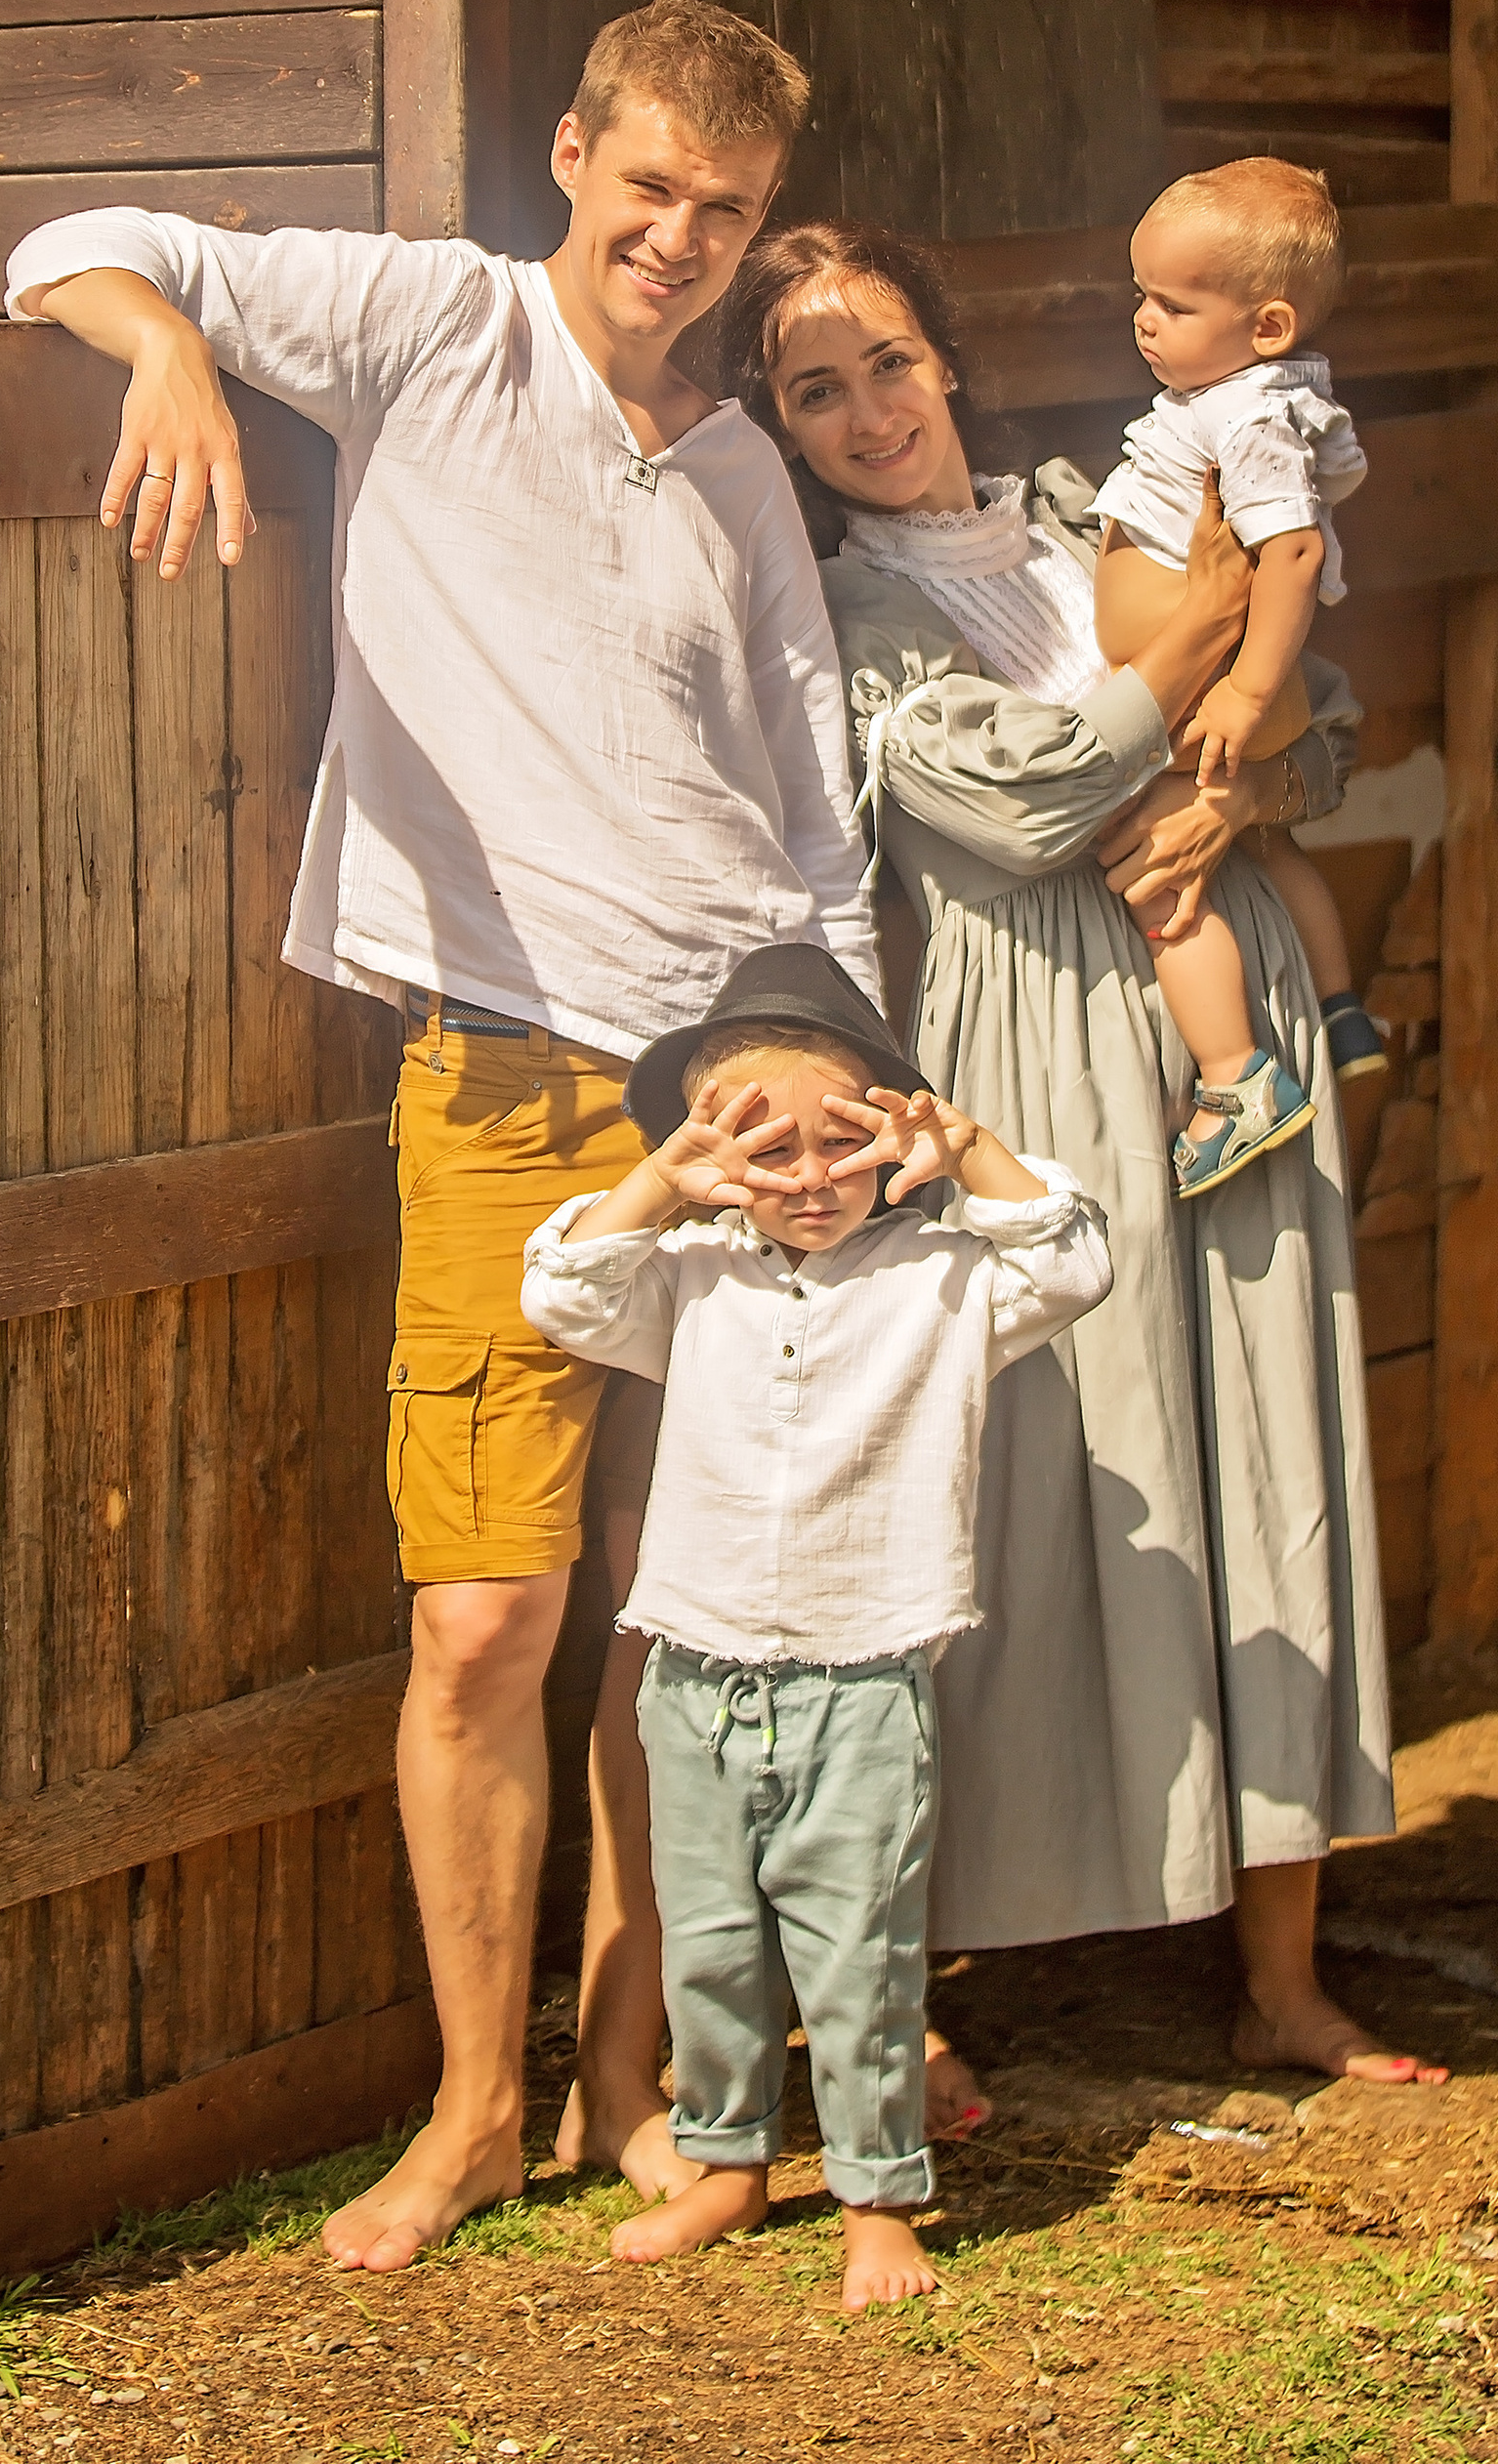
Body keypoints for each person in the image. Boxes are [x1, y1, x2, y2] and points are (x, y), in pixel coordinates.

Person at [1, 0, 882, 2273]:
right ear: (575, 152)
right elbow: (69, 241)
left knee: (683, 1612)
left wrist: (837, 1072)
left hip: (726, 1068)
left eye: (729, 207)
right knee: (487, 1613)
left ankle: (647, 2072)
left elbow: (816, 811)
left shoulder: (741, 466)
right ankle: (472, 2103)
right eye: (651, 183)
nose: (679, 236)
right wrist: (169, 356)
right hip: (488, 1067)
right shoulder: (426, 323)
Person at [719, 218, 1444, 2089]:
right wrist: (1198, 654)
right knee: (1046, 1465)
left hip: (1229, 1033)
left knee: (1266, 1432)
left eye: (889, 360)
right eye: (815, 389)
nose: (867, 409)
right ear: (783, 430)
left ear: (946, 358)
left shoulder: (1104, 500)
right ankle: (930, 1972)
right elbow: (1023, 801)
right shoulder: (845, 611)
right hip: (1026, 1057)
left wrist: (1245, 784)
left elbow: (1332, 716)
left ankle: (1283, 1971)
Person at [521, 945, 1111, 2308]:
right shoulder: (688, 1275)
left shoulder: (951, 1281)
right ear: (709, 1152)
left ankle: (876, 2194)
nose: (806, 1178)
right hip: (694, 1670)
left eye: (839, 1143)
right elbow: (560, 1294)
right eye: (762, 1148)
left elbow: (1075, 1260)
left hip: (865, 1675)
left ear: (895, 1129)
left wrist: (966, 1151)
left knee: (861, 1949)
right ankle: (729, 2161)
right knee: (713, 1939)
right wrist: (663, 1184)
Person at [1090, 156, 1388, 1197]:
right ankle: (1343, 1010)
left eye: (1173, 302)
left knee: (1161, 875)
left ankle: (1234, 1077)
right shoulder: (1229, 399)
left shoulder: (1246, 419)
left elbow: (1291, 554)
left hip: (1215, 690)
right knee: (1261, 842)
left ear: (1264, 326)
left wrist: (1247, 693)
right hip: (1207, 684)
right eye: (1141, 293)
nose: (1144, 319)